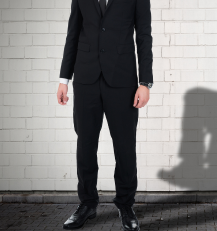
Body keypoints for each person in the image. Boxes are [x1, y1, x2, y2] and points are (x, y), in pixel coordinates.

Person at [56, 0, 153, 230]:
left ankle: (126, 204)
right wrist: (63, 79)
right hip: (85, 78)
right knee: (86, 145)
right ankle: (87, 203)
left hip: (122, 79)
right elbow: (73, 32)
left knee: (125, 146)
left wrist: (145, 82)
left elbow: (144, 35)